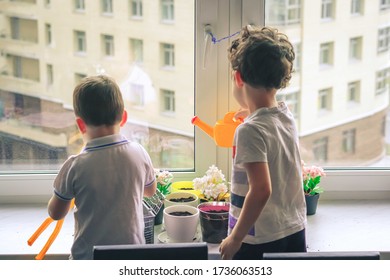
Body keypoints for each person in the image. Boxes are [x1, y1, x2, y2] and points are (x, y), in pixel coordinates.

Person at [219, 25, 307, 260]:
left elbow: (261, 190)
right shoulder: (285, 116)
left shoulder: (249, 130)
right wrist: (250, 113)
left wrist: (235, 238)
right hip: (293, 229)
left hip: (258, 239)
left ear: (238, 78)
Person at [47, 75, 156, 260]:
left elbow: (56, 213)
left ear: (80, 124)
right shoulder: (139, 153)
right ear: (123, 117)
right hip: (132, 258)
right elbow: (150, 191)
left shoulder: (75, 166)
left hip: (89, 261)